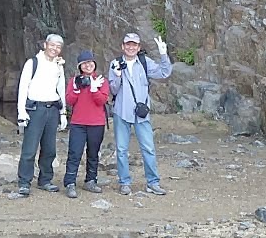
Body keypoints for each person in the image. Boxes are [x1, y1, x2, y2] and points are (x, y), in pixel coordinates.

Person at [108, 31, 171, 196]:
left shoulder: (145, 62)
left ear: (138, 47)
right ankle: (124, 182)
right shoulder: (115, 63)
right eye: (128, 44)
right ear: (123, 46)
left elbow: (164, 73)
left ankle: (153, 182)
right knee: (121, 149)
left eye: (134, 45)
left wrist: (163, 54)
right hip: (122, 111)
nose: (131, 47)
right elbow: (113, 89)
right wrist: (117, 76)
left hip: (141, 114)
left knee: (148, 148)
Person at [16, 33, 67, 197]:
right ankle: (24, 182)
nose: (54, 49)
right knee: (29, 148)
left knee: (50, 148)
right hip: (35, 108)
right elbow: (23, 87)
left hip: (52, 108)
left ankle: (45, 180)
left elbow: (61, 89)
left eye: (58, 47)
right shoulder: (33, 63)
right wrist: (21, 111)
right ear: (45, 45)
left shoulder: (59, 66)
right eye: (52, 45)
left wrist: (63, 112)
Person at [63, 50, 110, 199]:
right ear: (80, 66)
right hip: (78, 123)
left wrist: (94, 89)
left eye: (90, 62)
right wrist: (77, 89)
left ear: (94, 63)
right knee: (74, 153)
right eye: (84, 64)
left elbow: (101, 101)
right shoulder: (74, 81)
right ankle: (70, 182)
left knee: (93, 153)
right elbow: (70, 101)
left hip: (96, 123)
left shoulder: (101, 80)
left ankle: (91, 180)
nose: (88, 65)